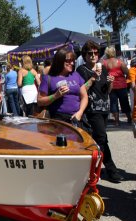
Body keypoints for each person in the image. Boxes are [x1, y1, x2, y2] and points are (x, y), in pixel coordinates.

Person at [76, 40, 124, 183]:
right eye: (89, 53)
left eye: (95, 53)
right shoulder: (82, 70)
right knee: (102, 138)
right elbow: (82, 89)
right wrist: (93, 78)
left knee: (99, 139)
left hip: (104, 109)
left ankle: (89, 170)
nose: (93, 55)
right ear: (84, 55)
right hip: (92, 110)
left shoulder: (103, 68)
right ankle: (111, 171)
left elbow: (106, 91)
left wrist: (110, 83)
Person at [37, 47, 88, 126]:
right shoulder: (48, 78)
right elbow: (40, 101)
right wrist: (55, 96)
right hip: (59, 120)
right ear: (59, 61)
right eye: (68, 61)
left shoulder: (76, 75)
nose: (72, 63)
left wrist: (80, 112)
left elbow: (84, 96)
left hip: (77, 118)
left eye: (72, 60)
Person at [102, 46, 131, 125]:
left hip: (111, 85)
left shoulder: (104, 63)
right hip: (121, 85)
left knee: (113, 103)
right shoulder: (120, 62)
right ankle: (129, 118)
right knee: (124, 102)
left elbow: (102, 75)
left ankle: (117, 121)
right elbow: (127, 72)